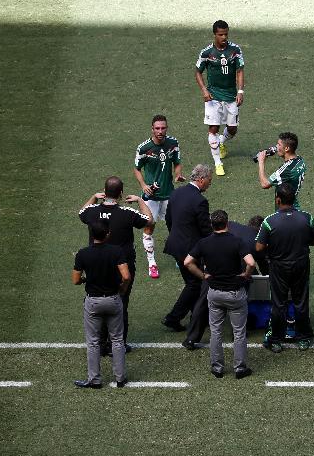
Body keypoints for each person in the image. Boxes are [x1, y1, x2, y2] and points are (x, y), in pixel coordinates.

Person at [78, 176, 152, 351]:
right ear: (120, 194)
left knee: (98, 300)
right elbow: (149, 220)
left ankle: (102, 344)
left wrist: (94, 197)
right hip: (123, 267)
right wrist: (141, 199)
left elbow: (81, 212)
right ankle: (118, 344)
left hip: (96, 266)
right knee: (121, 303)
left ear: (105, 193)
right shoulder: (128, 213)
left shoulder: (93, 211)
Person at [183, 210, 256, 379]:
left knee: (215, 331)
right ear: (227, 223)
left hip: (214, 292)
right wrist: (245, 274)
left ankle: (217, 367)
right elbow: (251, 263)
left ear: (212, 225)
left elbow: (188, 262)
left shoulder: (204, 243)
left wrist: (203, 275)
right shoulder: (237, 241)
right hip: (235, 293)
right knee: (239, 332)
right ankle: (239, 368)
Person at [256, 183, 314, 352]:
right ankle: (304, 338)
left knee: (279, 303)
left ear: (278, 200)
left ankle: (276, 340)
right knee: (301, 301)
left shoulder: (269, 221)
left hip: (279, 267)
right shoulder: (306, 218)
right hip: (300, 264)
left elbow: (258, 247)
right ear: (294, 199)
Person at [72, 221, 131, 388]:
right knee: (117, 340)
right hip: (113, 299)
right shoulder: (116, 251)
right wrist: (122, 290)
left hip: (93, 301)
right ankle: (120, 378)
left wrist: (86, 279)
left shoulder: (83, 254)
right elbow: (126, 276)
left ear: (92, 235)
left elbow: (76, 280)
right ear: (107, 234)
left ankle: (95, 379)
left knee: (93, 342)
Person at [162, 164, 214, 331]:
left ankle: (196, 315)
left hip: (176, 245)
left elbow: (169, 219)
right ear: (201, 180)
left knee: (192, 283)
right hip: (190, 249)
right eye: (209, 180)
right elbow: (206, 230)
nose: (210, 184)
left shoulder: (176, 193)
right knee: (194, 284)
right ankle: (173, 317)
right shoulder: (200, 201)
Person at [133, 114, 184, 279]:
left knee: (175, 226)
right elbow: (136, 169)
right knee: (149, 227)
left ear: (166, 128)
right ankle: (151, 263)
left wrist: (178, 175)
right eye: (157, 128)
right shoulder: (144, 148)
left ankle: (179, 256)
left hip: (169, 194)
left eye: (163, 128)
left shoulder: (173, 143)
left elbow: (177, 162)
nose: (160, 131)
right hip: (151, 197)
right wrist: (143, 186)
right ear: (152, 129)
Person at [194, 19, 246, 176]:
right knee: (213, 129)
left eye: (226, 34)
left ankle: (221, 142)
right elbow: (198, 72)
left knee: (232, 129)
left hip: (230, 95)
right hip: (213, 97)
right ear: (214, 34)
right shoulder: (207, 53)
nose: (224, 37)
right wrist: (204, 90)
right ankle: (218, 163)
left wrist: (240, 91)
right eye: (221, 34)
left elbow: (240, 71)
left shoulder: (235, 50)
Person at [256, 132, 306, 211]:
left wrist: (261, 162)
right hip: (295, 206)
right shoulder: (300, 160)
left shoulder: (287, 169)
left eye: (279, 144)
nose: (276, 147)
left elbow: (264, 184)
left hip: (285, 210)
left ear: (286, 149)